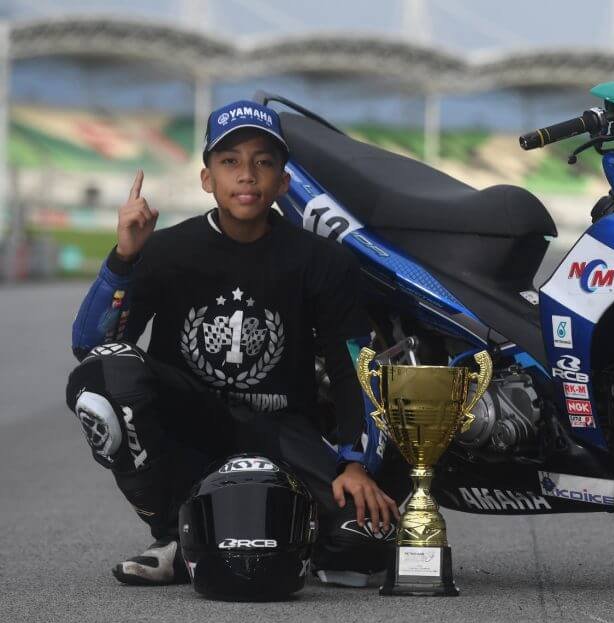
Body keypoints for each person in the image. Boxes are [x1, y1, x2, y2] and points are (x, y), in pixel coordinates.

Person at [66, 100, 400, 587]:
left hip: (281, 429)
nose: (247, 175)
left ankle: (290, 537)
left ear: (283, 182)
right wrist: (124, 259)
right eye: (230, 161)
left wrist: (356, 463)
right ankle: (172, 536)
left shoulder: (322, 261)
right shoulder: (167, 251)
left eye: (263, 162)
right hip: (192, 423)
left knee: (364, 538)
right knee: (103, 376)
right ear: (207, 179)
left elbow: (353, 365)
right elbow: (90, 346)